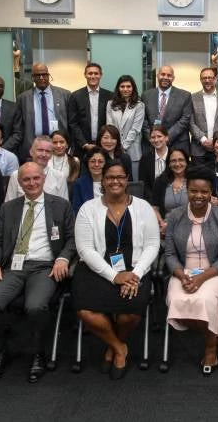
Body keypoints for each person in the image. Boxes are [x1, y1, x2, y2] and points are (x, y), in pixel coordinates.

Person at [0, 162, 76, 385]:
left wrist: (63, 258)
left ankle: (38, 353)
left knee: (35, 307)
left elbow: (72, 238)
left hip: (44, 267)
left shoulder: (61, 205)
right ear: (19, 183)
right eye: (26, 180)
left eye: (36, 178)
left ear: (43, 179)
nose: (31, 183)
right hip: (13, 266)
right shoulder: (9, 208)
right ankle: (1, 350)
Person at [74, 160, 160, 380]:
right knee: (86, 310)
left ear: (127, 179)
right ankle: (119, 347)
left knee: (131, 312)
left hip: (135, 269)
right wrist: (114, 276)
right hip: (97, 270)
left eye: (120, 177)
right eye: (110, 177)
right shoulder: (88, 209)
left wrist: (135, 274)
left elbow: (152, 245)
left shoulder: (143, 208)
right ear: (102, 180)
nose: (115, 181)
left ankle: (112, 346)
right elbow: (85, 249)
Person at [163, 166, 218, 375]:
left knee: (206, 300)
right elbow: (169, 254)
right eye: (193, 191)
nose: (199, 196)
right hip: (184, 271)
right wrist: (182, 276)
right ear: (187, 190)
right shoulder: (174, 216)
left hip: (217, 272)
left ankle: (210, 349)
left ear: (211, 193)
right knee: (175, 302)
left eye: (204, 192)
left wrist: (200, 280)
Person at [12, 62, 71, 163]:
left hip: (58, 147)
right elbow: (19, 127)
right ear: (32, 78)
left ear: (48, 76)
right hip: (34, 148)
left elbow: (71, 123)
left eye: (44, 74)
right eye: (37, 75)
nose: (41, 77)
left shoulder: (64, 94)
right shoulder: (23, 98)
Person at [141, 65, 192, 154]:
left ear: (173, 78)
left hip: (177, 144)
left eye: (169, 75)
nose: (165, 77)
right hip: (152, 145)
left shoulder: (185, 96)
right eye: (163, 74)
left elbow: (185, 119)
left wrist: (166, 137)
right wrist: (153, 138)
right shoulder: (146, 95)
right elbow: (143, 119)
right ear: (157, 76)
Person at [68, 63, 113, 158]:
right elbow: (73, 123)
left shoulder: (109, 96)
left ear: (101, 75)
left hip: (104, 146)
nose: (93, 76)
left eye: (96, 73)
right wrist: (84, 144)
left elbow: (111, 122)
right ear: (85, 75)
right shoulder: (75, 96)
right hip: (82, 147)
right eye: (90, 73)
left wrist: (104, 142)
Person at [189, 67, 218, 162]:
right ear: (201, 80)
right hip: (198, 149)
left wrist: (215, 140)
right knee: (198, 176)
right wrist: (203, 139)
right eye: (204, 78)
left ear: (215, 79)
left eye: (210, 77)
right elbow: (190, 123)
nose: (207, 80)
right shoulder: (192, 98)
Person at [5, 136, 66, 202]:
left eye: (48, 151)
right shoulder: (16, 175)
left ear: (51, 155)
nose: (44, 154)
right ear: (31, 152)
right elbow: (9, 204)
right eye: (40, 150)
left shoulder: (59, 176)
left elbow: (64, 206)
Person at [106, 74, 145, 173]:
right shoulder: (110, 104)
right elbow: (110, 127)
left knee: (133, 182)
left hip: (132, 149)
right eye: (122, 86)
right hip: (114, 148)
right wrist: (117, 146)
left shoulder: (139, 105)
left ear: (133, 88)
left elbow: (136, 129)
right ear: (118, 88)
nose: (125, 89)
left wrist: (123, 146)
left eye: (128, 86)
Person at [150, 148, 190, 225]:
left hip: (190, 226)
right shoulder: (160, 181)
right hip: (167, 227)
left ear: (186, 162)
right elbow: (155, 207)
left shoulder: (193, 180)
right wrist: (160, 222)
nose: (177, 164)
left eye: (181, 160)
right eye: (173, 161)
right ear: (169, 164)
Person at [72, 148, 109, 214]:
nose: (96, 164)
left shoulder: (112, 181)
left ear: (106, 163)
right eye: (93, 161)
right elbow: (76, 209)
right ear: (87, 163)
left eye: (100, 162)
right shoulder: (80, 183)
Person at [45, 130, 78, 201]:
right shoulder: (45, 160)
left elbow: (72, 185)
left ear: (67, 144)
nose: (58, 145)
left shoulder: (75, 161)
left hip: (66, 198)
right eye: (55, 142)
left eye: (62, 142)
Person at [138, 125, 170, 194]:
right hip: (152, 200)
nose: (156, 140)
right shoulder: (145, 158)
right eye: (153, 137)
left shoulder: (174, 156)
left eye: (159, 136)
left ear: (166, 138)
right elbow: (143, 184)